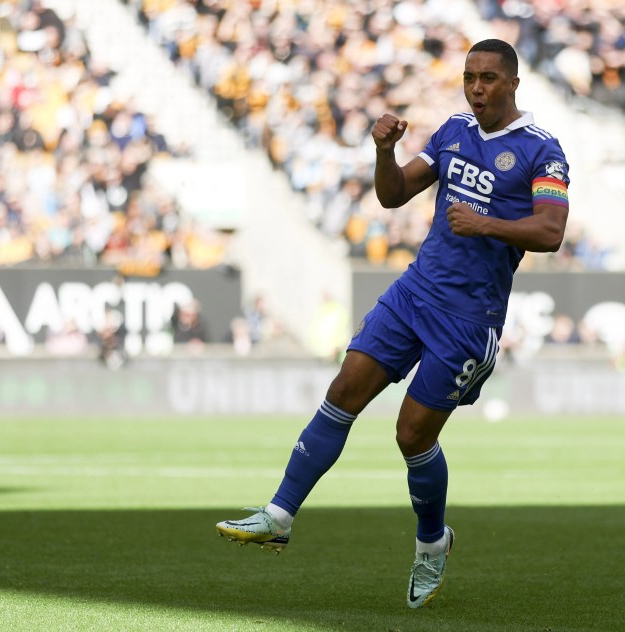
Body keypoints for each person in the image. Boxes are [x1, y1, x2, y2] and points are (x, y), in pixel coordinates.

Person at [215, 39, 571, 609]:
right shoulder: (453, 131)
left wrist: (485, 225)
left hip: (468, 319)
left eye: (487, 79)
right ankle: (279, 515)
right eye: (469, 77)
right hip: (414, 293)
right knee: (343, 390)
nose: (476, 88)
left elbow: (551, 231)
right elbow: (394, 194)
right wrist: (384, 152)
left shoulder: (541, 152)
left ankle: (432, 544)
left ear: (513, 84)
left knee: (411, 435)